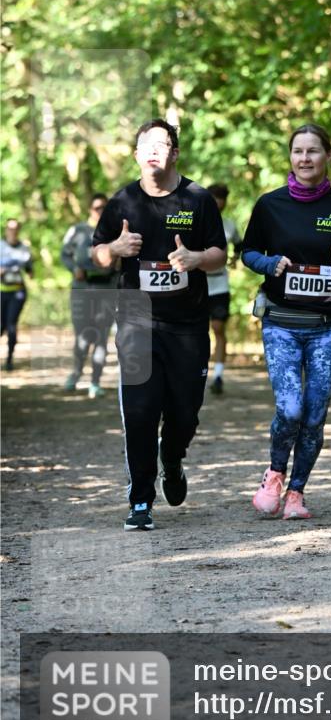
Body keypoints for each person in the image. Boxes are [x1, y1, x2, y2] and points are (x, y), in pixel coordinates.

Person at [91, 119, 227, 531]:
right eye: (146, 144)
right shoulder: (122, 203)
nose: (154, 149)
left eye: (163, 143)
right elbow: (96, 253)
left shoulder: (198, 199)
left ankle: (173, 456)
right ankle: (140, 502)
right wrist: (114, 248)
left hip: (187, 324)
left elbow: (220, 254)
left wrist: (196, 259)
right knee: (140, 411)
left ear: (175, 152)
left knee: (184, 413)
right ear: (135, 154)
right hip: (136, 321)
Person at [242, 123, 331, 520]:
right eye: (298, 151)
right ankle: (275, 473)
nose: (305, 159)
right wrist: (269, 263)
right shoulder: (270, 205)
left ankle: (296, 492)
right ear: (290, 157)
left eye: (313, 151)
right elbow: (247, 252)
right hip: (280, 321)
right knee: (291, 408)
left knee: (315, 414)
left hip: (328, 324)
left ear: (327, 156)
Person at [61, 193, 116, 398]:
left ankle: (95, 381)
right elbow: (63, 254)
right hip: (82, 290)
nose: (100, 211)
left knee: (101, 336)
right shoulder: (77, 230)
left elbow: (124, 260)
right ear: (90, 209)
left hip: (107, 291)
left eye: (104, 207)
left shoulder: (116, 232)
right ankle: (76, 372)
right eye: (97, 207)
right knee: (82, 336)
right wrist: (74, 267)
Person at [206, 184, 243, 395]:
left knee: (218, 328)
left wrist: (234, 260)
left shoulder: (229, 226)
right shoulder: (195, 222)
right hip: (198, 283)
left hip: (220, 284)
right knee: (197, 331)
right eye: (215, 200)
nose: (219, 204)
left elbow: (239, 245)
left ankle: (218, 375)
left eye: (222, 201)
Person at [0, 218, 33, 371]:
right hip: (2, 291)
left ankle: (9, 359)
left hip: (18, 291)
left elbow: (30, 270)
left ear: (18, 230)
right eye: (10, 228)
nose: (12, 231)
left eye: (15, 228)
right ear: (6, 230)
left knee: (11, 324)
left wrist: (29, 269)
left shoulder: (24, 248)